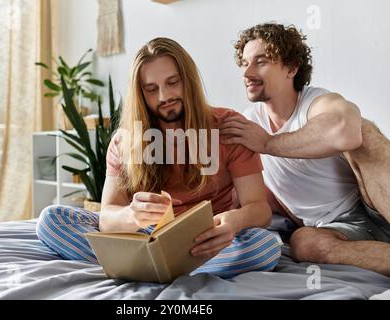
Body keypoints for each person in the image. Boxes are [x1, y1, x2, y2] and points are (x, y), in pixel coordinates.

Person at [36, 37, 281, 279]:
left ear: (189, 81)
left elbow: (259, 209)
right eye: (151, 89)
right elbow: (107, 218)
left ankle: (140, 268)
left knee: (266, 246)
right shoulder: (125, 141)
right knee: (51, 220)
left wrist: (233, 222)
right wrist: (131, 215)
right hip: (144, 237)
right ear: (140, 94)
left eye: (173, 82)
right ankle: (169, 267)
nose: (164, 96)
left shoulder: (228, 127)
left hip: (206, 240)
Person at [220, 22, 390, 276]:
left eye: (261, 61)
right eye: (244, 63)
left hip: (374, 203)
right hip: (339, 229)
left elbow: (346, 128)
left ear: (291, 67)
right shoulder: (248, 124)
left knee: (363, 131)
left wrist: (268, 143)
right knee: (303, 244)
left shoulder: (315, 102)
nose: (247, 72)